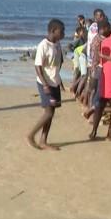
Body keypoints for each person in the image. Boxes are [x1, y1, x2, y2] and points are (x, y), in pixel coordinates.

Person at [24, 19, 66, 151]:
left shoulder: (58, 44)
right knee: (48, 113)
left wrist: (60, 81)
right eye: (61, 31)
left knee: (51, 113)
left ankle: (43, 141)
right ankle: (30, 135)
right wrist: (45, 84)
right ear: (53, 31)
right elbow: (38, 66)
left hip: (55, 82)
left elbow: (58, 64)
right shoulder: (43, 45)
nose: (64, 34)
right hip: (45, 83)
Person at [81, 20, 110, 118]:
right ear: (104, 28)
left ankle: (89, 107)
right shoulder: (103, 40)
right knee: (97, 92)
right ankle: (91, 111)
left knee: (92, 89)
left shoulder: (95, 38)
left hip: (93, 66)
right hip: (99, 67)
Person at [69, 26, 87, 95]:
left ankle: (76, 86)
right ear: (79, 33)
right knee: (76, 71)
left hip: (81, 57)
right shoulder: (78, 39)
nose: (84, 33)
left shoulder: (83, 40)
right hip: (77, 56)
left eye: (85, 32)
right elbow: (70, 45)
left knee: (80, 71)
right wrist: (73, 51)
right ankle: (73, 85)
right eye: (83, 32)